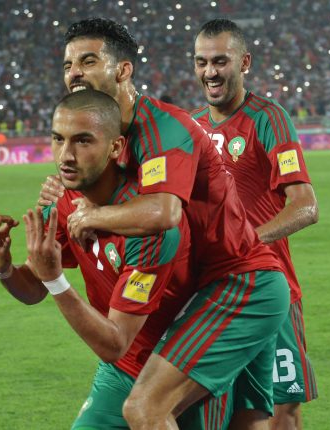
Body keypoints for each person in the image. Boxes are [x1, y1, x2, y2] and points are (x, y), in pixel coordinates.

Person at [41, 18, 289, 428]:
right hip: (207, 290)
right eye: (68, 65)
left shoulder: (160, 128)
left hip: (237, 283)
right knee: (246, 422)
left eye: (88, 61)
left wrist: (91, 216)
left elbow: (163, 213)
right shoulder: (109, 137)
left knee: (146, 409)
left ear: (123, 70)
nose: (75, 73)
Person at [0, 89, 200, 428]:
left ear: (115, 147)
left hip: (177, 369)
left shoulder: (149, 228)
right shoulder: (61, 201)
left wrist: (56, 279)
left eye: (83, 141)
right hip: (121, 370)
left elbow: (114, 342)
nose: (66, 155)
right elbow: (34, 288)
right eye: (58, 139)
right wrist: (4, 269)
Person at [190, 19, 319, 430]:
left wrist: (245, 242)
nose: (210, 72)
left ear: (244, 63)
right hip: (211, 292)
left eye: (220, 61)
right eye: (202, 62)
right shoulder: (189, 127)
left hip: (269, 287)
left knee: (282, 408)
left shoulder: (268, 118)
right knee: (218, 410)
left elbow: (306, 206)